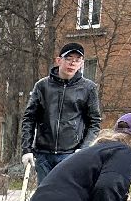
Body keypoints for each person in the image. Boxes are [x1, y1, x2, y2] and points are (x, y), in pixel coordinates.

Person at [21, 42, 102, 183]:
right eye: (69, 58)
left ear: (82, 63)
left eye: (77, 60)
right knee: (45, 197)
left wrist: (84, 148)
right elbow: (29, 119)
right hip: (43, 154)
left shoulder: (88, 88)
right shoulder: (42, 86)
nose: (72, 63)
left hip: (71, 154)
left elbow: (94, 123)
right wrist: (26, 149)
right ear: (59, 60)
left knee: (66, 197)